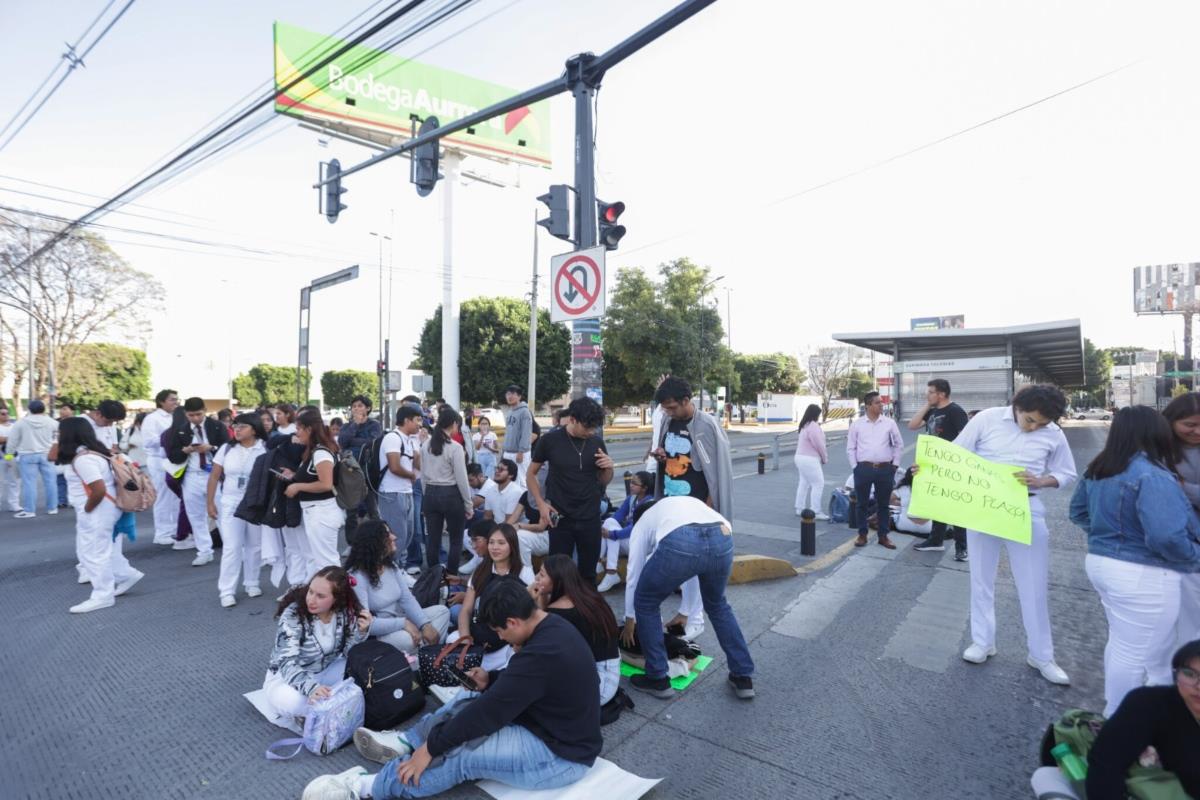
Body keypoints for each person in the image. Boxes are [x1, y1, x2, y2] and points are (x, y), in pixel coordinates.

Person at [307, 580, 600, 800]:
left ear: (513, 621)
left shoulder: (543, 652)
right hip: (542, 723)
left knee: (462, 753)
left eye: (501, 632)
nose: (501, 638)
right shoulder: (549, 627)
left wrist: (432, 749)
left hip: (559, 755)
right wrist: (491, 679)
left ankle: (365, 788)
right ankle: (408, 742)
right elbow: (522, 685)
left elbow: (488, 713)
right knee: (471, 696)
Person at [1069, 405, 1200, 715]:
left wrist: (1111, 538)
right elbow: (1166, 537)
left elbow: (1077, 513)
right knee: (1145, 656)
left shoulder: (1099, 469)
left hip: (1103, 564)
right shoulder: (1153, 474)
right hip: (1144, 573)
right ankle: (1121, 721)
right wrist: (1194, 556)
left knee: (1123, 646)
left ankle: (1117, 715)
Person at [953, 384, 1077, 684]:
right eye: (1030, 420)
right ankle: (983, 642)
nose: (1034, 428)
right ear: (1016, 406)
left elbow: (1067, 473)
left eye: (1041, 424)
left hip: (1027, 509)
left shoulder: (1054, 434)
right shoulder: (986, 419)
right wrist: (926, 468)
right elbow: (955, 454)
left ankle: (1041, 655)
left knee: (1033, 586)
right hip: (983, 508)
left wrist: (1042, 480)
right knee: (981, 579)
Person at [621, 495, 755, 700]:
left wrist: (630, 618)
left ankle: (657, 679)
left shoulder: (642, 523)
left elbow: (634, 573)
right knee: (718, 605)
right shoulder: (675, 506)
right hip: (722, 534)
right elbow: (694, 568)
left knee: (646, 602)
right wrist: (685, 612)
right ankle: (742, 676)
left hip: (680, 539)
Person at [1076, 639, 1200, 800]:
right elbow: (1105, 765)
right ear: (1176, 674)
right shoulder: (1148, 704)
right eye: (1190, 674)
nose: (1198, 686)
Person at [262, 566, 371, 725]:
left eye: (320, 596)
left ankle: (325, 709)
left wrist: (361, 632)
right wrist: (311, 688)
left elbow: (349, 654)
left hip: (327, 669)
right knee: (294, 702)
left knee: (362, 675)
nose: (311, 600)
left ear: (337, 599)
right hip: (287, 677)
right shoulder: (293, 614)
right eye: (310, 591)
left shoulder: (344, 612)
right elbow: (286, 662)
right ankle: (332, 708)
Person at [58, 417, 143, 613]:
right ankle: (125, 575)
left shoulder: (83, 459)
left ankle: (102, 595)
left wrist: (87, 509)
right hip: (105, 507)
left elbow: (97, 489)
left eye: (60, 433)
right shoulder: (94, 453)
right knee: (103, 548)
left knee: (94, 553)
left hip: (97, 508)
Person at [526, 397, 614, 577]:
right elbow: (530, 474)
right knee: (559, 574)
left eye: (594, 428)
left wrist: (609, 467)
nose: (591, 432)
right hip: (560, 517)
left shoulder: (596, 442)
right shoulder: (550, 440)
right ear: (572, 420)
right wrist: (541, 504)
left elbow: (604, 480)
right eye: (587, 427)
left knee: (588, 574)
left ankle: (586, 605)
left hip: (590, 516)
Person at [345, 520, 449, 654]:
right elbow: (365, 624)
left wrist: (424, 625)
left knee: (442, 611)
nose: (394, 537)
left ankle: (424, 655)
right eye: (387, 534)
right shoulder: (357, 577)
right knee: (408, 640)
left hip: (401, 621)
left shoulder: (390, 566)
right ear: (373, 542)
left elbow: (407, 599)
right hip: (379, 634)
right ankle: (424, 656)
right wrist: (403, 623)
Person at [531, 553, 621, 704]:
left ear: (557, 580)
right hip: (610, 669)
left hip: (599, 688)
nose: (536, 578)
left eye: (541, 575)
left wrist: (538, 602)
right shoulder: (585, 595)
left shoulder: (558, 612)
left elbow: (539, 640)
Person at [207, 412, 268, 608]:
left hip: (255, 503)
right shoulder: (226, 449)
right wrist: (210, 502)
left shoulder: (264, 449)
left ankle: (252, 582)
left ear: (254, 429)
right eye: (236, 426)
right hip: (230, 501)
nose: (237, 429)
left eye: (242, 426)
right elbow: (214, 477)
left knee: (255, 544)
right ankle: (226, 590)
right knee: (232, 546)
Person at [651, 376, 734, 519]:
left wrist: (707, 513)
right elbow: (675, 457)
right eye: (665, 409)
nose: (669, 412)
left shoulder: (706, 426)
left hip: (695, 510)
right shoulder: (667, 420)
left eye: (672, 408)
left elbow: (716, 475)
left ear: (685, 401)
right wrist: (663, 456)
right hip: (669, 504)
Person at [910, 378, 971, 559]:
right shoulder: (933, 411)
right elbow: (912, 425)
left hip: (951, 467)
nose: (926, 395)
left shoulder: (955, 411)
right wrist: (927, 405)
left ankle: (962, 548)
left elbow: (966, 438)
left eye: (930, 392)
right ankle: (936, 540)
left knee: (956, 507)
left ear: (941, 394)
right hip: (932, 466)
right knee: (937, 503)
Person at [166, 397, 230, 566]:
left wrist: (212, 447)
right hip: (192, 475)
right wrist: (185, 450)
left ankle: (231, 549)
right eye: (191, 415)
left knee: (221, 513)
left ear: (205, 411)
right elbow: (172, 455)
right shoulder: (181, 429)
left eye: (198, 414)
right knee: (195, 515)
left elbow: (228, 447)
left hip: (214, 473)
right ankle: (204, 550)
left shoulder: (217, 426)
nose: (195, 418)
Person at [281, 409, 344, 578]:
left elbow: (325, 484)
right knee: (321, 561)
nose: (297, 432)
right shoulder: (316, 451)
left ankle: (338, 600)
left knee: (327, 563)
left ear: (309, 429)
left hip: (322, 512)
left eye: (299, 428)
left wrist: (298, 486)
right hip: (316, 511)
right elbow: (315, 477)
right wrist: (294, 476)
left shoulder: (321, 452)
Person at [1162, 391, 1200, 651]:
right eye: (1189, 424)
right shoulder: (1158, 448)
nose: (1197, 431)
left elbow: (1171, 488)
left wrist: (1183, 488)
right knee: (1185, 609)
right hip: (1179, 540)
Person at [455, 523, 534, 647]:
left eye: (501, 543)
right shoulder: (480, 571)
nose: (495, 547)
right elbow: (466, 610)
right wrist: (465, 638)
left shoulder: (524, 572)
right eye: (491, 542)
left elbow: (531, 614)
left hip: (510, 641)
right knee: (452, 639)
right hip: (479, 632)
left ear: (512, 545)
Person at [419, 406, 472, 573]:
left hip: (430, 493)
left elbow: (422, 475)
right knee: (455, 539)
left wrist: (426, 495)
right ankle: (451, 575)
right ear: (454, 424)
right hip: (451, 494)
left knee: (433, 539)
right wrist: (468, 504)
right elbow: (462, 479)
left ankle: (433, 575)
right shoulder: (455, 447)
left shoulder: (425, 445)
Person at [846, 390, 902, 549]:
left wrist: (895, 465)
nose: (881, 405)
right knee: (861, 504)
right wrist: (855, 467)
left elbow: (899, 444)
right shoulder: (857, 425)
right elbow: (851, 448)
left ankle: (883, 536)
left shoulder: (889, 423)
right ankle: (862, 535)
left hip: (885, 469)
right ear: (868, 405)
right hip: (863, 469)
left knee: (884, 504)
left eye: (881, 402)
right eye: (877, 402)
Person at [597, 470, 655, 593]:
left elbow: (636, 527)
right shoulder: (631, 499)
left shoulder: (649, 503)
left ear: (644, 488)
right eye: (631, 482)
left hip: (642, 544)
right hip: (628, 540)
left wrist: (613, 534)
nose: (631, 485)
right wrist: (605, 529)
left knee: (612, 534)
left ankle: (605, 567)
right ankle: (609, 570)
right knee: (609, 523)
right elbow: (617, 517)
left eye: (635, 483)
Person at [376, 406, 422, 559]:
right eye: (417, 420)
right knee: (397, 536)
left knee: (408, 535)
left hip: (406, 491)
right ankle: (391, 569)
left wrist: (420, 445)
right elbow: (394, 467)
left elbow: (418, 465)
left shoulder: (408, 440)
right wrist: (411, 476)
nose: (420, 424)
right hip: (392, 493)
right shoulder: (393, 438)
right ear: (407, 420)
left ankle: (398, 569)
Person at [339, 395, 383, 542]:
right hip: (350, 473)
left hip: (367, 472)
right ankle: (352, 543)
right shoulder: (347, 426)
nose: (356, 409)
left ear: (368, 408)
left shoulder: (374, 425)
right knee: (351, 511)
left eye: (360, 406)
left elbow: (372, 442)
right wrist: (354, 425)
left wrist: (354, 441)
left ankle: (378, 541)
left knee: (372, 509)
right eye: (354, 406)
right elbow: (343, 442)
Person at [140, 389, 180, 543]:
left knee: (176, 497)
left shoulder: (175, 417)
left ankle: (176, 529)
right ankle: (162, 533)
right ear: (162, 401)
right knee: (163, 496)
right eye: (172, 399)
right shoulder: (152, 419)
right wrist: (170, 437)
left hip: (174, 460)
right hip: (159, 460)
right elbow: (149, 441)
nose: (175, 402)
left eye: (177, 399)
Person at [9, 398, 59, 518]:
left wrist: (8, 455)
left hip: (27, 455)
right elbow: (57, 438)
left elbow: (12, 441)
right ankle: (52, 508)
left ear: (29, 409)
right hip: (47, 454)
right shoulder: (52, 422)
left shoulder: (21, 423)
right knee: (51, 482)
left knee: (29, 483)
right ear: (44, 409)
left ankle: (29, 510)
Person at [793, 403, 829, 520]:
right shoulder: (813, 426)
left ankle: (799, 508)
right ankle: (816, 510)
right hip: (810, 459)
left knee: (804, 483)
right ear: (815, 414)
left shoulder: (804, 425)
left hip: (799, 457)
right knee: (818, 484)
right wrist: (824, 458)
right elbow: (819, 445)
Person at [501, 384, 533, 490]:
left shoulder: (525, 412)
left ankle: (524, 506)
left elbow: (526, 433)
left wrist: (521, 451)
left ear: (519, 396)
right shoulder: (509, 412)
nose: (510, 396)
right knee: (509, 482)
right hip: (508, 453)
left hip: (519, 453)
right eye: (508, 394)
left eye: (513, 394)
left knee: (522, 481)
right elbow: (508, 433)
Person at [890, 467, 933, 536]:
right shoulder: (932, 490)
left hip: (903, 525)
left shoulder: (903, 488)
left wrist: (901, 503)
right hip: (927, 529)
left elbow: (887, 500)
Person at [0, 405, 20, 512]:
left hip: (13, 456)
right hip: (1, 457)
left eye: (7, 413)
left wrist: (7, 439)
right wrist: (11, 439)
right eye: (3, 414)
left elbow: (19, 439)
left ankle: (14, 504)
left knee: (15, 481)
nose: (6, 415)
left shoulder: (14, 426)